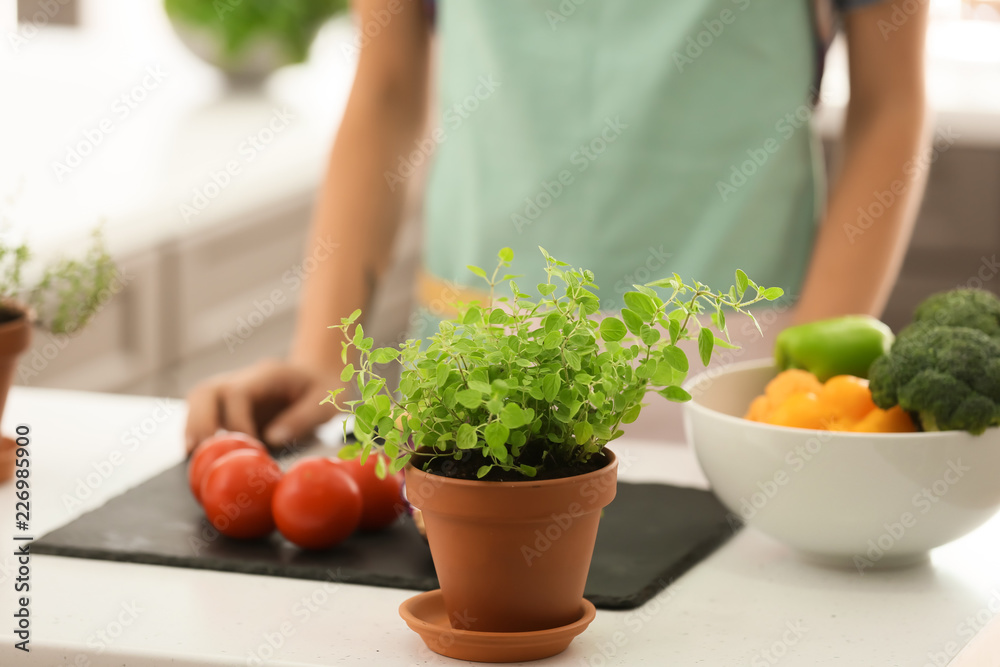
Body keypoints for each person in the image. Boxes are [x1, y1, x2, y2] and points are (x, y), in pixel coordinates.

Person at [185, 0, 929, 451]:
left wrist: (808, 387)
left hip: (733, 389)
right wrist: (322, 357)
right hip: (469, 376)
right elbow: (385, 90)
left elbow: (890, 105)